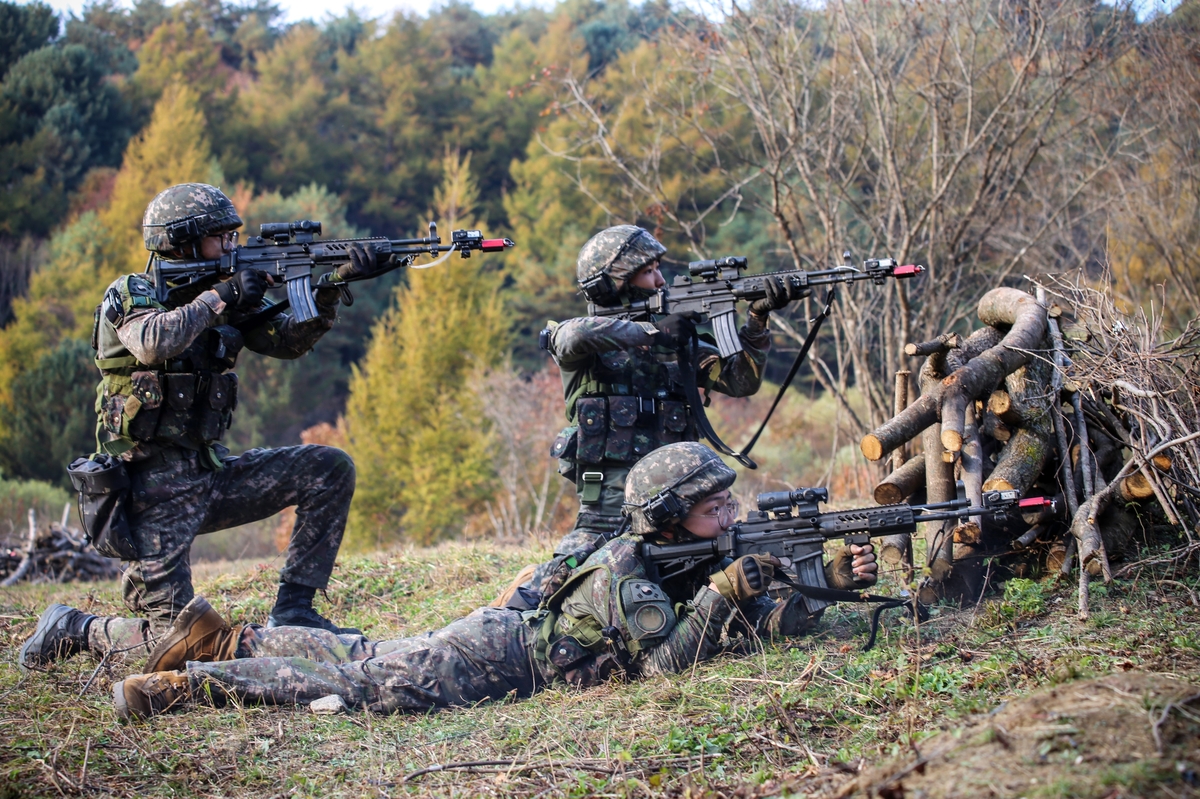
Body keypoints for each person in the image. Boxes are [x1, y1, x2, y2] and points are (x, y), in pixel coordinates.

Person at [111, 442, 877, 720]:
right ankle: (195, 682)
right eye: (716, 509)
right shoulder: (632, 572)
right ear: (673, 519)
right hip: (496, 658)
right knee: (358, 686)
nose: (731, 517)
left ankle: (224, 636)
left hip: (502, 634)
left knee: (369, 651)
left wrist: (828, 581)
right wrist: (723, 594)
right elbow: (664, 665)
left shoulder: (681, 550)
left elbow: (752, 627)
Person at [21, 183, 381, 674]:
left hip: (210, 475)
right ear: (181, 242)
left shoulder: (225, 294)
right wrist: (221, 296)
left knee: (328, 468)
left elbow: (286, 342)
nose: (231, 247)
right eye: (220, 238)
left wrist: (333, 287)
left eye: (234, 238)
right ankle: (76, 628)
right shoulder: (132, 293)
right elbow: (152, 341)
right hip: (152, 493)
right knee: (176, 643)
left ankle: (295, 608)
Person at [501, 225, 806, 608]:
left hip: (680, 504)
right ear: (612, 284)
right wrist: (650, 331)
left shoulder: (680, 344)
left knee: (733, 572)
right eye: (649, 271)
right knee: (559, 586)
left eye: (660, 268)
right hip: (610, 508)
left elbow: (741, 381)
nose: (661, 280)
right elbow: (570, 336)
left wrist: (757, 321)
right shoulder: (585, 345)